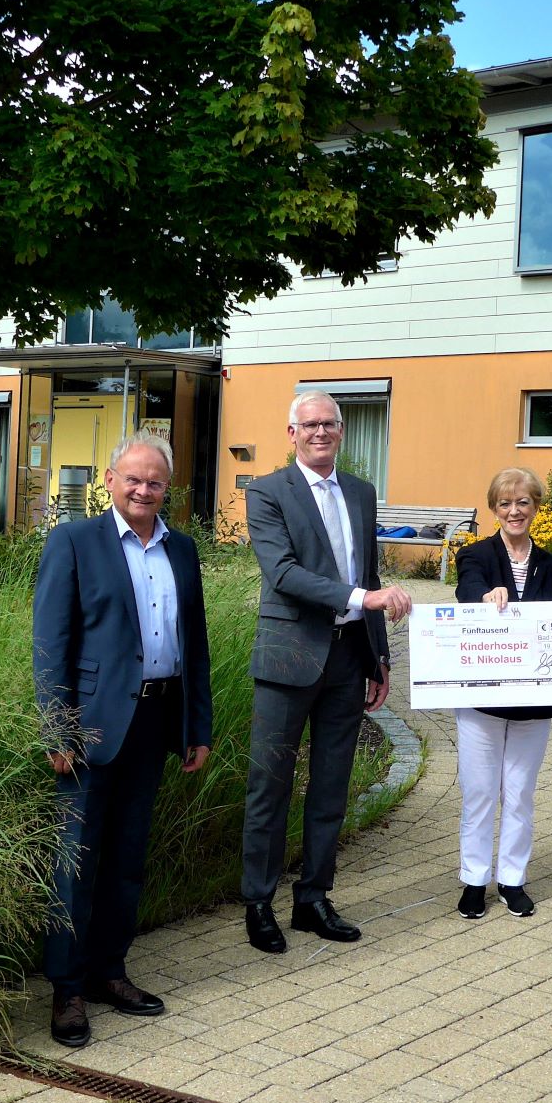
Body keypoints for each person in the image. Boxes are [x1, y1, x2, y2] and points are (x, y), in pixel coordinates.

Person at [32, 432, 212, 1048]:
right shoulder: (75, 540)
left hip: (156, 724)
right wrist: (56, 728)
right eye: (133, 479)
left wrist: (197, 728)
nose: (143, 490)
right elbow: (50, 644)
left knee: (128, 859)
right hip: (88, 730)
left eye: (155, 482)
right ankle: (67, 988)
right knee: (76, 861)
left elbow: (196, 646)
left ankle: (110, 971)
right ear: (110, 480)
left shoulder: (181, 550)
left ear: (168, 488)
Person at [240, 391, 413, 954]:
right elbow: (283, 572)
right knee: (271, 784)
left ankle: (313, 896)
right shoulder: (267, 491)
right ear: (291, 433)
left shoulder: (360, 493)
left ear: (342, 431)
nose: (320, 432)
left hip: (346, 657)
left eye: (330, 424)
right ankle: (259, 902)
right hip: (289, 656)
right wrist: (365, 597)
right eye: (309, 424)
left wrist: (378, 656)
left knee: (331, 785)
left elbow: (370, 571)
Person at [451, 467, 552, 920]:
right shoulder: (476, 556)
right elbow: (467, 592)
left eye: (523, 502)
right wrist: (485, 597)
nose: (514, 511)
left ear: (536, 507)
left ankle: (512, 879)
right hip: (482, 699)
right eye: (505, 503)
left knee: (520, 793)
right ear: (494, 508)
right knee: (480, 792)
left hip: (533, 700)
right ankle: (473, 880)